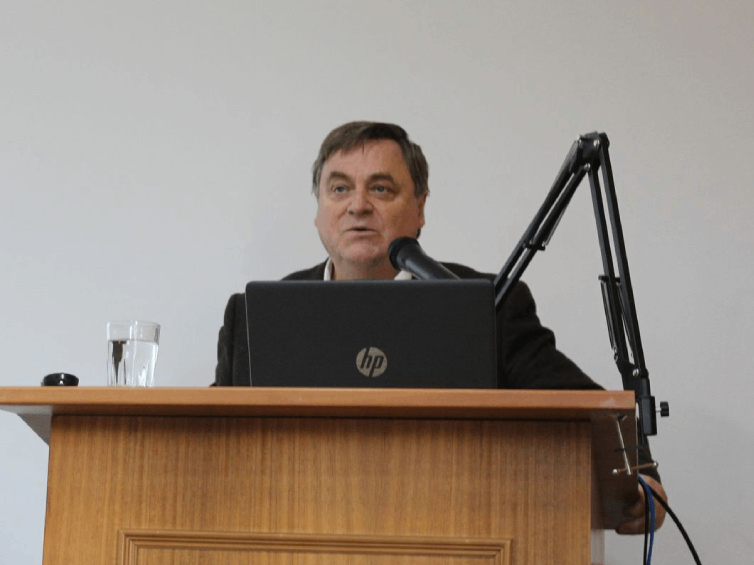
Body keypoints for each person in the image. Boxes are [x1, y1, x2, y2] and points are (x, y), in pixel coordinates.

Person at [215, 121, 667, 534]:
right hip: (297, 545)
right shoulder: (253, 317)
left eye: (381, 189)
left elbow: (581, 404)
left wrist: (642, 474)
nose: (358, 206)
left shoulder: (487, 304)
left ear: (419, 208)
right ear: (318, 209)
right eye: (339, 189)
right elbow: (209, 444)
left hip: (459, 541)